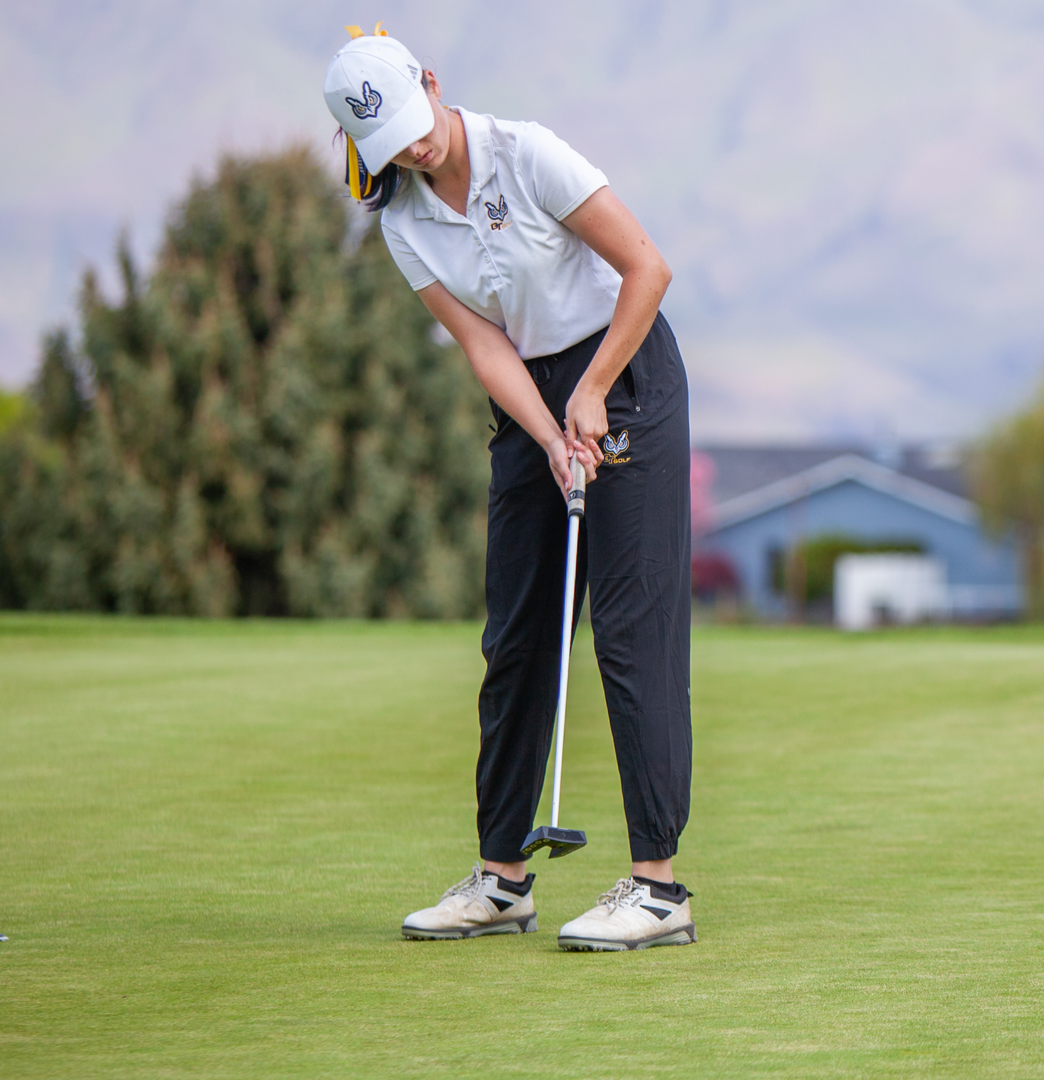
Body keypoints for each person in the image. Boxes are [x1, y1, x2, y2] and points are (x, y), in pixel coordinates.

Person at [323, 27, 695, 951]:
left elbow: (648, 268)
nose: (412, 149)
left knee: (628, 630)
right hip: (532, 394)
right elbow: (485, 343)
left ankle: (658, 888)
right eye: (388, 145)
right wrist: (548, 434)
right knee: (517, 637)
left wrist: (596, 394)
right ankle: (503, 879)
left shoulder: (525, 153)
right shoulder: (404, 221)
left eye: (414, 123)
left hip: (626, 374)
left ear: (433, 84)